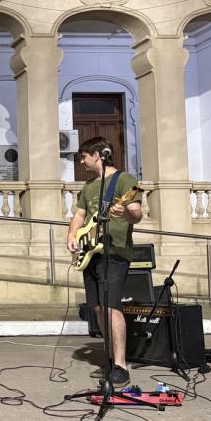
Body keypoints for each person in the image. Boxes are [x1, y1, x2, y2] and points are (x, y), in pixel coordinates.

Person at [66, 137, 142, 386]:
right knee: (97, 308)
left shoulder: (125, 181)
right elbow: (80, 215)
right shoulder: (89, 186)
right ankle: (109, 361)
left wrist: (127, 212)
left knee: (111, 307)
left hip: (115, 252)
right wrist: (72, 235)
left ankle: (121, 366)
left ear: (97, 155)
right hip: (91, 253)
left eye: (84, 156)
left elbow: (137, 214)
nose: (82, 161)